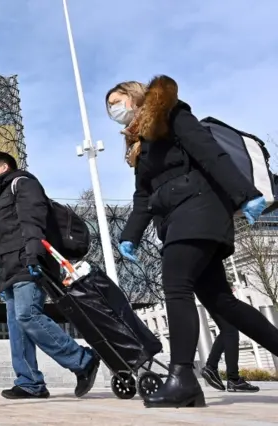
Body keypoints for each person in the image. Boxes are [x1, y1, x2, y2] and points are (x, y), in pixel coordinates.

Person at [105, 75, 278, 408]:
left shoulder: (171, 114)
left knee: (177, 286)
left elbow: (209, 153)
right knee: (222, 302)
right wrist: (130, 236)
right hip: (177, 219)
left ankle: (182, 378)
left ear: (136, 97)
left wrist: (245, 195)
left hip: (199, 209)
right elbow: (144, 197)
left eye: (116, 101)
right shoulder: (141, 145)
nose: (112, 110)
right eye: (109, 107)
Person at [0, 151, 100, 399]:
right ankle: (29, 383)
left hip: (27, 260)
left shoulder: (22, 183)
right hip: (9, 267)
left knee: (28, 315)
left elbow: (32, 219)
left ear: (4, 167)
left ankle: (82, 360)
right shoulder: (2, 195)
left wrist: (33, 254)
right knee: (17, 325)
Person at [202, 306, 260, 392]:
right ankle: (233, 379)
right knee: (230, 331)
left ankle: (211, 367)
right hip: (214, 295)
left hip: (207, 295)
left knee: (227, 329)